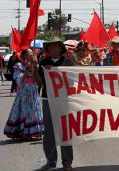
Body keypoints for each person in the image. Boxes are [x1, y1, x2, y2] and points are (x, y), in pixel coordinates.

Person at [38, 37, 75, 170]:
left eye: (55, 45)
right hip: (48, 99)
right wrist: (39, 68)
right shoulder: (43, 62)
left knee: (65, 131)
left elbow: (72, 80)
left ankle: (67, 162)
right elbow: (40, 82)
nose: (52, 48)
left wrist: (57, 70)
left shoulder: (68, 62)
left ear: (60, 47)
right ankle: (50, 161)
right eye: (50, 46)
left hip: (63, 99)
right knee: (48, 132)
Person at [3, 49, 44, 141]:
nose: (31, 54)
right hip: (24, 91)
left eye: (32, 53)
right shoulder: (19, 65)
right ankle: (23, 132)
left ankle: (34, 131)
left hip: (33, 91)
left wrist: (35, 68)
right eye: (29, 53)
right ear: (25, 55)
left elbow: (38, 81)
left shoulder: (35, 65)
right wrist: (27, 69)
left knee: (33, 110)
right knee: (24, 111)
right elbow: (18, 80)